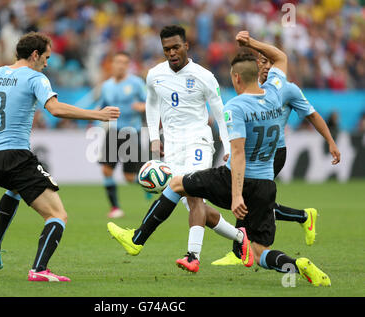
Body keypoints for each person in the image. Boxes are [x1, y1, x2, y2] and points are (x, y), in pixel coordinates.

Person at [107, 33, 331, 287]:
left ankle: (138, 239)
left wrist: (236, 196)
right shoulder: (275, 96)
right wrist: (252, 44)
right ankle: (296, 264)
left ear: (236, 78)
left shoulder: (235, 107)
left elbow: (237, 155)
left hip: (236, 180)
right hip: (266, 183)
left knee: (177, 184)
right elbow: (280, 57)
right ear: (257, 74)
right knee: (258, 252)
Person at [0, 32, 120, 282]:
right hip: (15, 156)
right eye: (46, 57)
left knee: (14, 189)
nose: (48, 63)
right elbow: (56, 110)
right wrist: (98, 115)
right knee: (58, 215)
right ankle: (39, 270)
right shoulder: (36, 78)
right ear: (35, 54)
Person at [108, 25, 253, 273]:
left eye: (176, 47)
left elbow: (220, 112)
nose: (172, 52)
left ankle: (190, 255)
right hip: (172, 144)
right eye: (167, 49)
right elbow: (152, 105)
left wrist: (228, 144)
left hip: (198, 141)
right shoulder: (154, 74)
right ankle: (241, 240)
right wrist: (155, 137)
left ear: (186, 46)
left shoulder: (204, 75)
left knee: (193, 192)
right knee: (194, 205)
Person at [212, 41, 341, 266]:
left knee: (249, 197)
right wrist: (233, 154)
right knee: (252, 200)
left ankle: (239, 252)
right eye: (260, 62)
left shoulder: (286, 89)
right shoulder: (251, 93)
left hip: (273, 153)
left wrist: (330, 141)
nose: (263, 66)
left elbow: (312, 115)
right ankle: (302, 216)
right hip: (251, 151)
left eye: (267, 62)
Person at [97, 51, 147, 219]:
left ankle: (148, 182)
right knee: (106, 170)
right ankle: (115, 208)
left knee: (129, 177)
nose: (120, 65)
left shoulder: (136, 83)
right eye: (118, 62)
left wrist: (143, 107)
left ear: (128, 65)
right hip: (113, 131)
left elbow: (150, 103)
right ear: (112, 64)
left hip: (131, 133)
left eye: (124, 62)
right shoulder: (106, 86)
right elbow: (102, 107)